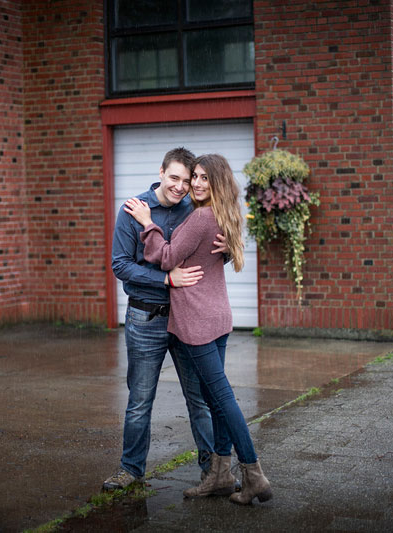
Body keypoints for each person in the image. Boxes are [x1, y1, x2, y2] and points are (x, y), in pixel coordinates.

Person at [124, 153, 272, 505]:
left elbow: (167, 257)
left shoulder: (202, 216)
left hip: (199, 324)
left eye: (206, 178)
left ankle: (254, 474)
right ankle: (220, 476)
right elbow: (212, 251)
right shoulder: (222, 213)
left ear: (218, 183)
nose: (198, 184)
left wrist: (148, 222)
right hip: (217, 317)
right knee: (214, 401)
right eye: (197, 177)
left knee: (221, 399)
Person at [105, 147, 228, 492]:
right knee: (140, 399)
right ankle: (130, 469)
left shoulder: (197, 210)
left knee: (199, 398)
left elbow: (214, 244)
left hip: (187, 318)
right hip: (145, 318)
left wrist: (228, 247)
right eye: (174, 177)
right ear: (161, 172)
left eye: (186, 181)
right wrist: (165, 279)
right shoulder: (134, 210)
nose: (180, 187)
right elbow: (120, 265)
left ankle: (212, 471)